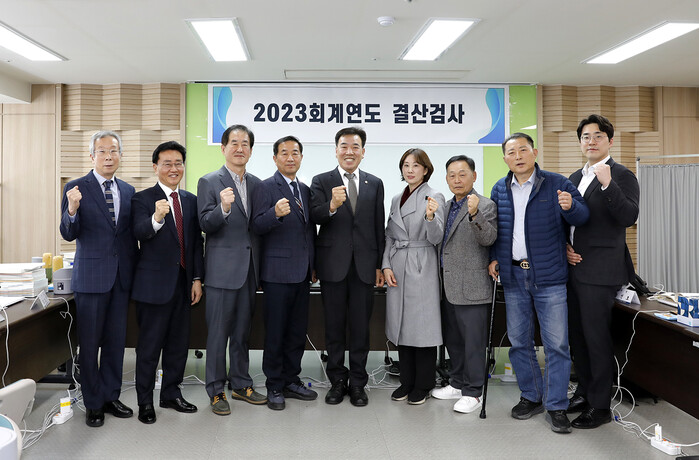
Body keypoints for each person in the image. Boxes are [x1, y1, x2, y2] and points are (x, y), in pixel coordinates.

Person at [488, 133, 589, 434]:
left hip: (549, 277)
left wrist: (570, 207)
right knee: (520, 342)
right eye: (511, 152)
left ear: (534, 153)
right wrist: (493, 258)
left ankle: (556, 405)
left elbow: (583, 216)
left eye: (523, 150)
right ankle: (531, 396)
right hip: (513, 276)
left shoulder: (557, 183)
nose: (518, 156)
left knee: (556, 344)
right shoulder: (499, 188)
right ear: (505, 159)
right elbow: (497, 230)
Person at [59, 130, 138, 427]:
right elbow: (68, 232)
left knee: (116, 343)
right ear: (92, 155)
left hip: (121, 278)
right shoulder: (75, 188)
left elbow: (128, 237)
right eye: (102, 151)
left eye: (113, 151)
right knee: (90, 344)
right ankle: (93, 402)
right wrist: (72, 209)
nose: (108, 156)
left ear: (120, 156)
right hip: (91, 278)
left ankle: (110, 396)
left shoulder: (128, 190)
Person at [565, 115, 639, 429]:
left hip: (600, 271)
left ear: (610, 140)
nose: (591, 141)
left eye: (597, 136)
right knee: (578, 337)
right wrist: (565, 246)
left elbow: (628, 217)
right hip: (573, 268)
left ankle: (600, 406)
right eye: (585, 136)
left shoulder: (622, 174)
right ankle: (584, 391)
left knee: (596, 338)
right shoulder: (574, 176)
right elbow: (569, 219)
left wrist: (608, 184)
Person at [310, 127, 385, 407]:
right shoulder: (321, 180)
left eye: (355, 147)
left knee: (360, 328)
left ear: (363, 152)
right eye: (344, 146)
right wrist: (331, 205)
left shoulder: (374, 183)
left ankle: (358, 383)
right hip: (333, 265)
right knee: (334, 327)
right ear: (336, 150)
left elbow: (378, 225)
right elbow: (314, 217)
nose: (349, 151)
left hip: (364, 266)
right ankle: (337, 381)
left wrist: (379, 264)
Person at [130, 141, 204, 424]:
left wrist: (197, 278)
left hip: (183, 285)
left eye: (178, 163)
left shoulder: (190, 200)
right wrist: (156, 218)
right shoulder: (142, 199)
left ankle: (171, 394)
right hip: (153, 287)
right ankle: (145, 402)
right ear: (155, 167)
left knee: (178, 346)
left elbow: (195, 243)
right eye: (167, 164)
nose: (174, 169)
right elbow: (138, 232)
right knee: (149, 348)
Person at [197, 124, 266, 415]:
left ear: (251, 150)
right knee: (218, 335)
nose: (240, 148)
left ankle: (240, 384)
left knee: (241, 333)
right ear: (223, 148)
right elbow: (204, 223)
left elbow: (257, 227)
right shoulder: (209, 181)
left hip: (249, 271)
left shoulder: (258, 184)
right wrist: (223, 208)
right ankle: (215, 390)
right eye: (234, 143)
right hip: (221, 272)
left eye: (245, 143)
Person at [251, 135, 318, 411]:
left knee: (296, 332)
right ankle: (274, 385)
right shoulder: (265, 187)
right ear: (275, 157)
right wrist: (275, 214)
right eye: (284, 153)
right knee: (276, 333)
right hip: (276, 273)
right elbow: (256, 225)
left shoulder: (305, 189)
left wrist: (313, 264)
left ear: (301, 157)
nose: (290, 157)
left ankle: (291, 380)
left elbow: (309, 230)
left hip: (302, 273)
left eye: (295, 153)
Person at [432, 155, 497, 414]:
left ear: (474, 176)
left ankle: (473, 392)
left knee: (473, 344)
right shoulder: (446, 206)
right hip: (447, 286)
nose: (457, 180)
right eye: (452, 175)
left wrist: (474, 214)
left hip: (472, 286)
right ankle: (457, 383)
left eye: (462, 174)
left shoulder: (485, 205)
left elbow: (488, 239)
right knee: (454, 340)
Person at [381, 148, 445, 405]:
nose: (410, 170)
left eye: (416, 165)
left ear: (425, 170)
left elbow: (436, 237)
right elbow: (389, 234)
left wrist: (430, 216)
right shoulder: (397, 198)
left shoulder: (434, 196)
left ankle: (424, 384)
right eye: (406, 165)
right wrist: (386, 265)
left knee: (422, 327)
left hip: (421, 263)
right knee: (402, 325)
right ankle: (406, 381)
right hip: (398, 263)